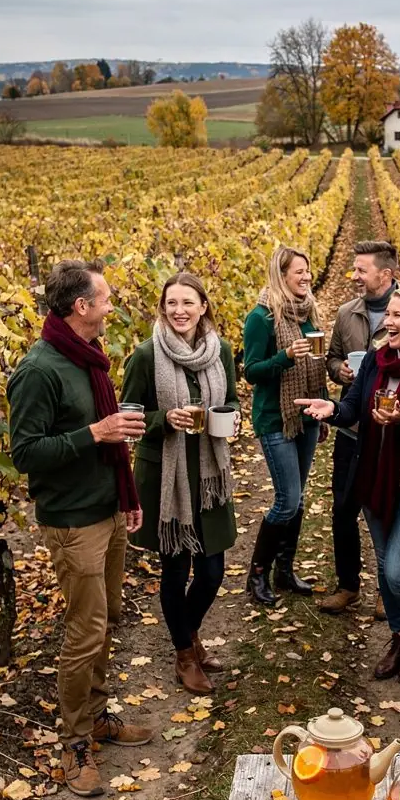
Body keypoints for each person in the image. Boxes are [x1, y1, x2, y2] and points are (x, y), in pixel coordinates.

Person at [8, 259, 153, 798]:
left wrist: (126, 497)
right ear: (81, 307)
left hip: (107, 510)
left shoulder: (87, 357)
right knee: (84, 629)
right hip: (72, 521)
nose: (113, 306)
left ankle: (95, 717)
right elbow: (25, 453)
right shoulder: (40, 370)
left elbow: (103, 437)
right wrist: (95, 433)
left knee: (107, 618)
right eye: (106, 298)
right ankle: (72, 741)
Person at [297, 287, 400, 684]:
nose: (387, 322)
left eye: (397, 316)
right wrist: (332, 409)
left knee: (398, 571)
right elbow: (354, 406)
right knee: (384, 565)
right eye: (387, 314)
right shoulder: (375, 361)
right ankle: (399, 637)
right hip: (373, 478)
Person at [121, 271, 239, 693]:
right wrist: (162, 420)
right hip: (166, 479)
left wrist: (231, 420)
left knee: (212, 572)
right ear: (162, 307)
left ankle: (188, 636)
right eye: (171, 303)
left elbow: (231, 401)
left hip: (208, 475)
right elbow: (130, 418)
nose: (179, 311)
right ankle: (185, 655)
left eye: (188, 302)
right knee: (175, 569)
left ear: (203, 306)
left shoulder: (220, 350)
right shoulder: (144, 356)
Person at [243, 246, 326, 607]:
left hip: (306, 415)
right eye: (298, 272)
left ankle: (284, 570)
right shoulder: (260, 318)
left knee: (299, 498)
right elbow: (251, 372)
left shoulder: (309, 311)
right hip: (276, 417)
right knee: (287, 499)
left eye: (308, 271)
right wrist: (285, 357)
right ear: (281, 275)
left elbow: (316, 365)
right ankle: (257, 574)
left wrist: (323, 409)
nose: (306, 278)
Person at [322, 240, 398, 616]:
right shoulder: (346, 313)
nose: (354, 276)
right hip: (352, 428)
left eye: (361, 270)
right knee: (342, 508)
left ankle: (388, 588)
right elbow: (332, 357)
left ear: (385, 274)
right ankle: (348, 585)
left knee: (386, 509)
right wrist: (340, 371)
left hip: (389, 430)